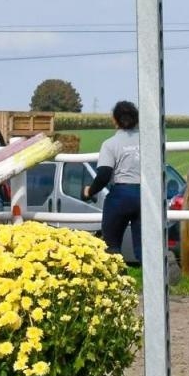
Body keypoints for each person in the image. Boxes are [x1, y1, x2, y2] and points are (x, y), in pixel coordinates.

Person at [82, 101, 142, 261]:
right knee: (145, 247)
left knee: (111, 245)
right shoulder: (149, 142)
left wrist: (89, 191)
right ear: (136, 119)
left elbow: (104, 175)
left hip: (121, 195)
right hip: (146, 195)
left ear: (115, 120)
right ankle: (156, 281)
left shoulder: (110, 144)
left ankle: (120, 281)